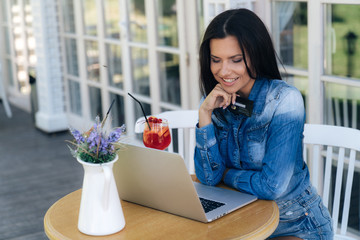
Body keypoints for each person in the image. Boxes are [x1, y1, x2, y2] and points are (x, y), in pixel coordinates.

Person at [194, 8, 333, 239]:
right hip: (243, 221)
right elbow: (207, 179)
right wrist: (205, 114)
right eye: (215, 60)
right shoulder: (214, 101)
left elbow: (271, 187)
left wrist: (226, 174)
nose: (223, 71)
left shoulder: (285, 101)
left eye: (236, 60)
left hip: (296, 223)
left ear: (256, 55)